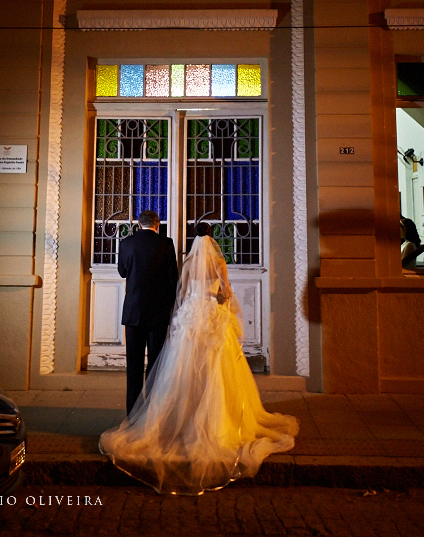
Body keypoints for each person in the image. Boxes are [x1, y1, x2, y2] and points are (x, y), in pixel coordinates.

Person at [100, 222, 299, 495]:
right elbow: (225, 292)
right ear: (213, 238)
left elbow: (181, 292)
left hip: (190, 314)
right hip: (210, 315)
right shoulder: (218, 261)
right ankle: (213, 420)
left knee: (182, 367)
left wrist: (185, 308)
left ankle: (166, 417)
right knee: (214, 369)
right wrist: (218, 299)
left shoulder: (188, 261)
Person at [118, 209, 178, 416]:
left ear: (138, 224)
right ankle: (152, 413)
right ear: (157, 225)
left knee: (133, 365)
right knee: (155, 364)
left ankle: (133, 413)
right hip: (158, 312)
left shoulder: (126, 243)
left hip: (133, 311)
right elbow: (173, 279)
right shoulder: (166, 244)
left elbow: (122, 272)